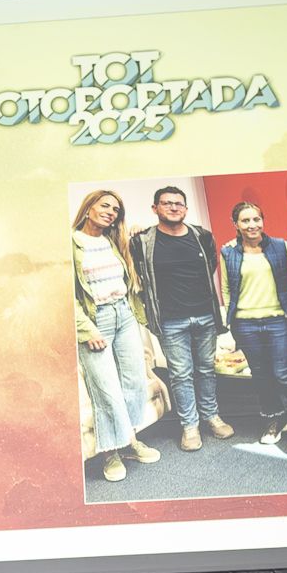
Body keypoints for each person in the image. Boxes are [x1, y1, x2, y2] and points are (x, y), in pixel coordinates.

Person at [129, 185, 234, 451]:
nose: (173, 207)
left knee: (206, 370)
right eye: (166, 203)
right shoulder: (142, 242)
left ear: (185, 209)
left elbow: (210, 266)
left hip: (205, 316)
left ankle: (212, 416)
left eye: (178, 203)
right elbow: (134, 271)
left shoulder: (202, 236)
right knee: (181, 374)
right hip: (170, 320)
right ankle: (190, 426)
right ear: (155, 209)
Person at [73, 188, 161, 480]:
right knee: (107, 389)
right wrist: (87, 330)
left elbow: (144, 241)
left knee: (134, 379)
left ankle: (129, 441)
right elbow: (66, 294)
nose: (111, 212)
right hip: (95, 319)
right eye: (105, 206)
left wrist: (137, 229)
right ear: (89, 208)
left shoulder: (113, 241)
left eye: (116, 210)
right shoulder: (70, 243)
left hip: (123, 314)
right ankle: (110, 453)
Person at [220, 202, 287, 449]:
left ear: (263, 221)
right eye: (245, 220)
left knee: (284, 374)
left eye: (256, 219)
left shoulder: (280, 246)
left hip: (277, 321)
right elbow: (227, 288)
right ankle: (275, 418)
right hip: (245, 324)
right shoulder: (228, 251)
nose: (252, 225)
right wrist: (232, 322)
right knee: (261, 376)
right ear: (236, 225)